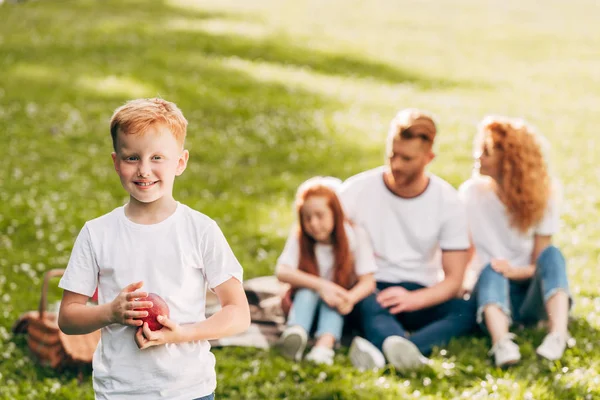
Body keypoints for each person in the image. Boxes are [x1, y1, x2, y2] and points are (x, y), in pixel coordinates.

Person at [57, 98, 250, 400]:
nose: (144, 170)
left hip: (189, 390)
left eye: (157, 157)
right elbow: (67, 318)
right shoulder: (97, 233)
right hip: (119, 391)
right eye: (132, 158)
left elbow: (238, 312)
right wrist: (110, 312)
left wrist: (182, 333)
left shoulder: (200, 230)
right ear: (116, 162)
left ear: (181, 162)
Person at [339, 108, 476, 371]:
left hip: (421, 293)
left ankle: (395, 350)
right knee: (367, 301)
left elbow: (454, 280)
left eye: (407, 158)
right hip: (371, 288)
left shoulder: (448, 202)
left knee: (468, 311)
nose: (396, 165)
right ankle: (401, 350)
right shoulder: (354, 191)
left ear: (429, 157)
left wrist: (414, 300)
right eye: (392, 155)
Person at [459, 116, 571, 367]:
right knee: (492, 267)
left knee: (553, 255)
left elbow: (539, 263)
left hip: (527, 289)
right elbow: (466, 250)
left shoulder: (543, 197)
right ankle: (502, 343)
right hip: (492, 291)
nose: (478, 156)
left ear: (509, 161)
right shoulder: (471, 194)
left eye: (486, 152)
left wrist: (514, 271)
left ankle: (558, 333)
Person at [275, 177, 377, 365]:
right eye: (307, 218)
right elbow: (282, 271)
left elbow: (368, 281)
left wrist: (349, 298)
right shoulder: (300, 237)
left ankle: (324, 346)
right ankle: (296, 333)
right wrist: (322, 286)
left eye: (320, 216)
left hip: (338, 302)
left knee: (333, 302)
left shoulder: (355, 236)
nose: (313, 223)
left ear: (335, 214)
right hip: (304, 303)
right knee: (308, 292)